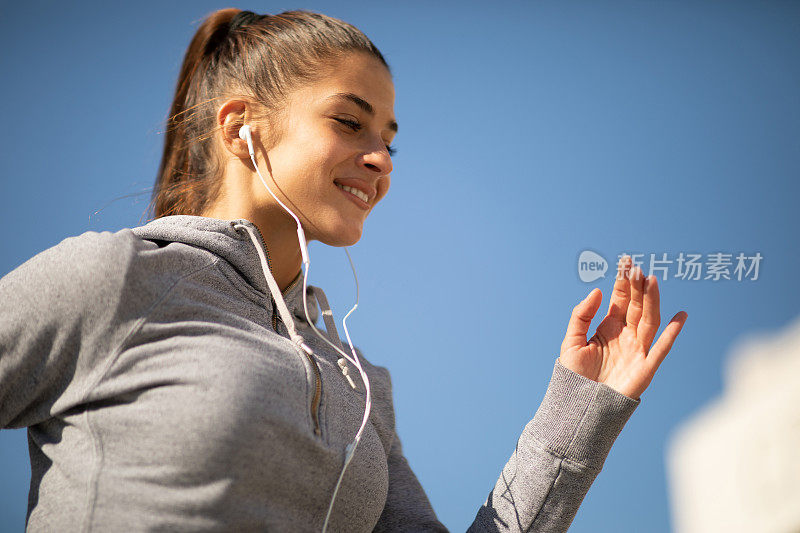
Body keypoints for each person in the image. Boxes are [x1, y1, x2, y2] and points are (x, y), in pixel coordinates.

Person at [0, 8, 688, 532]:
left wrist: (578, 409)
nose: (382, 159)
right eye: (349, 122)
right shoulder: (119, 278)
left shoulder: (357, 381)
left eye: (388, 139)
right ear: (243, 126)